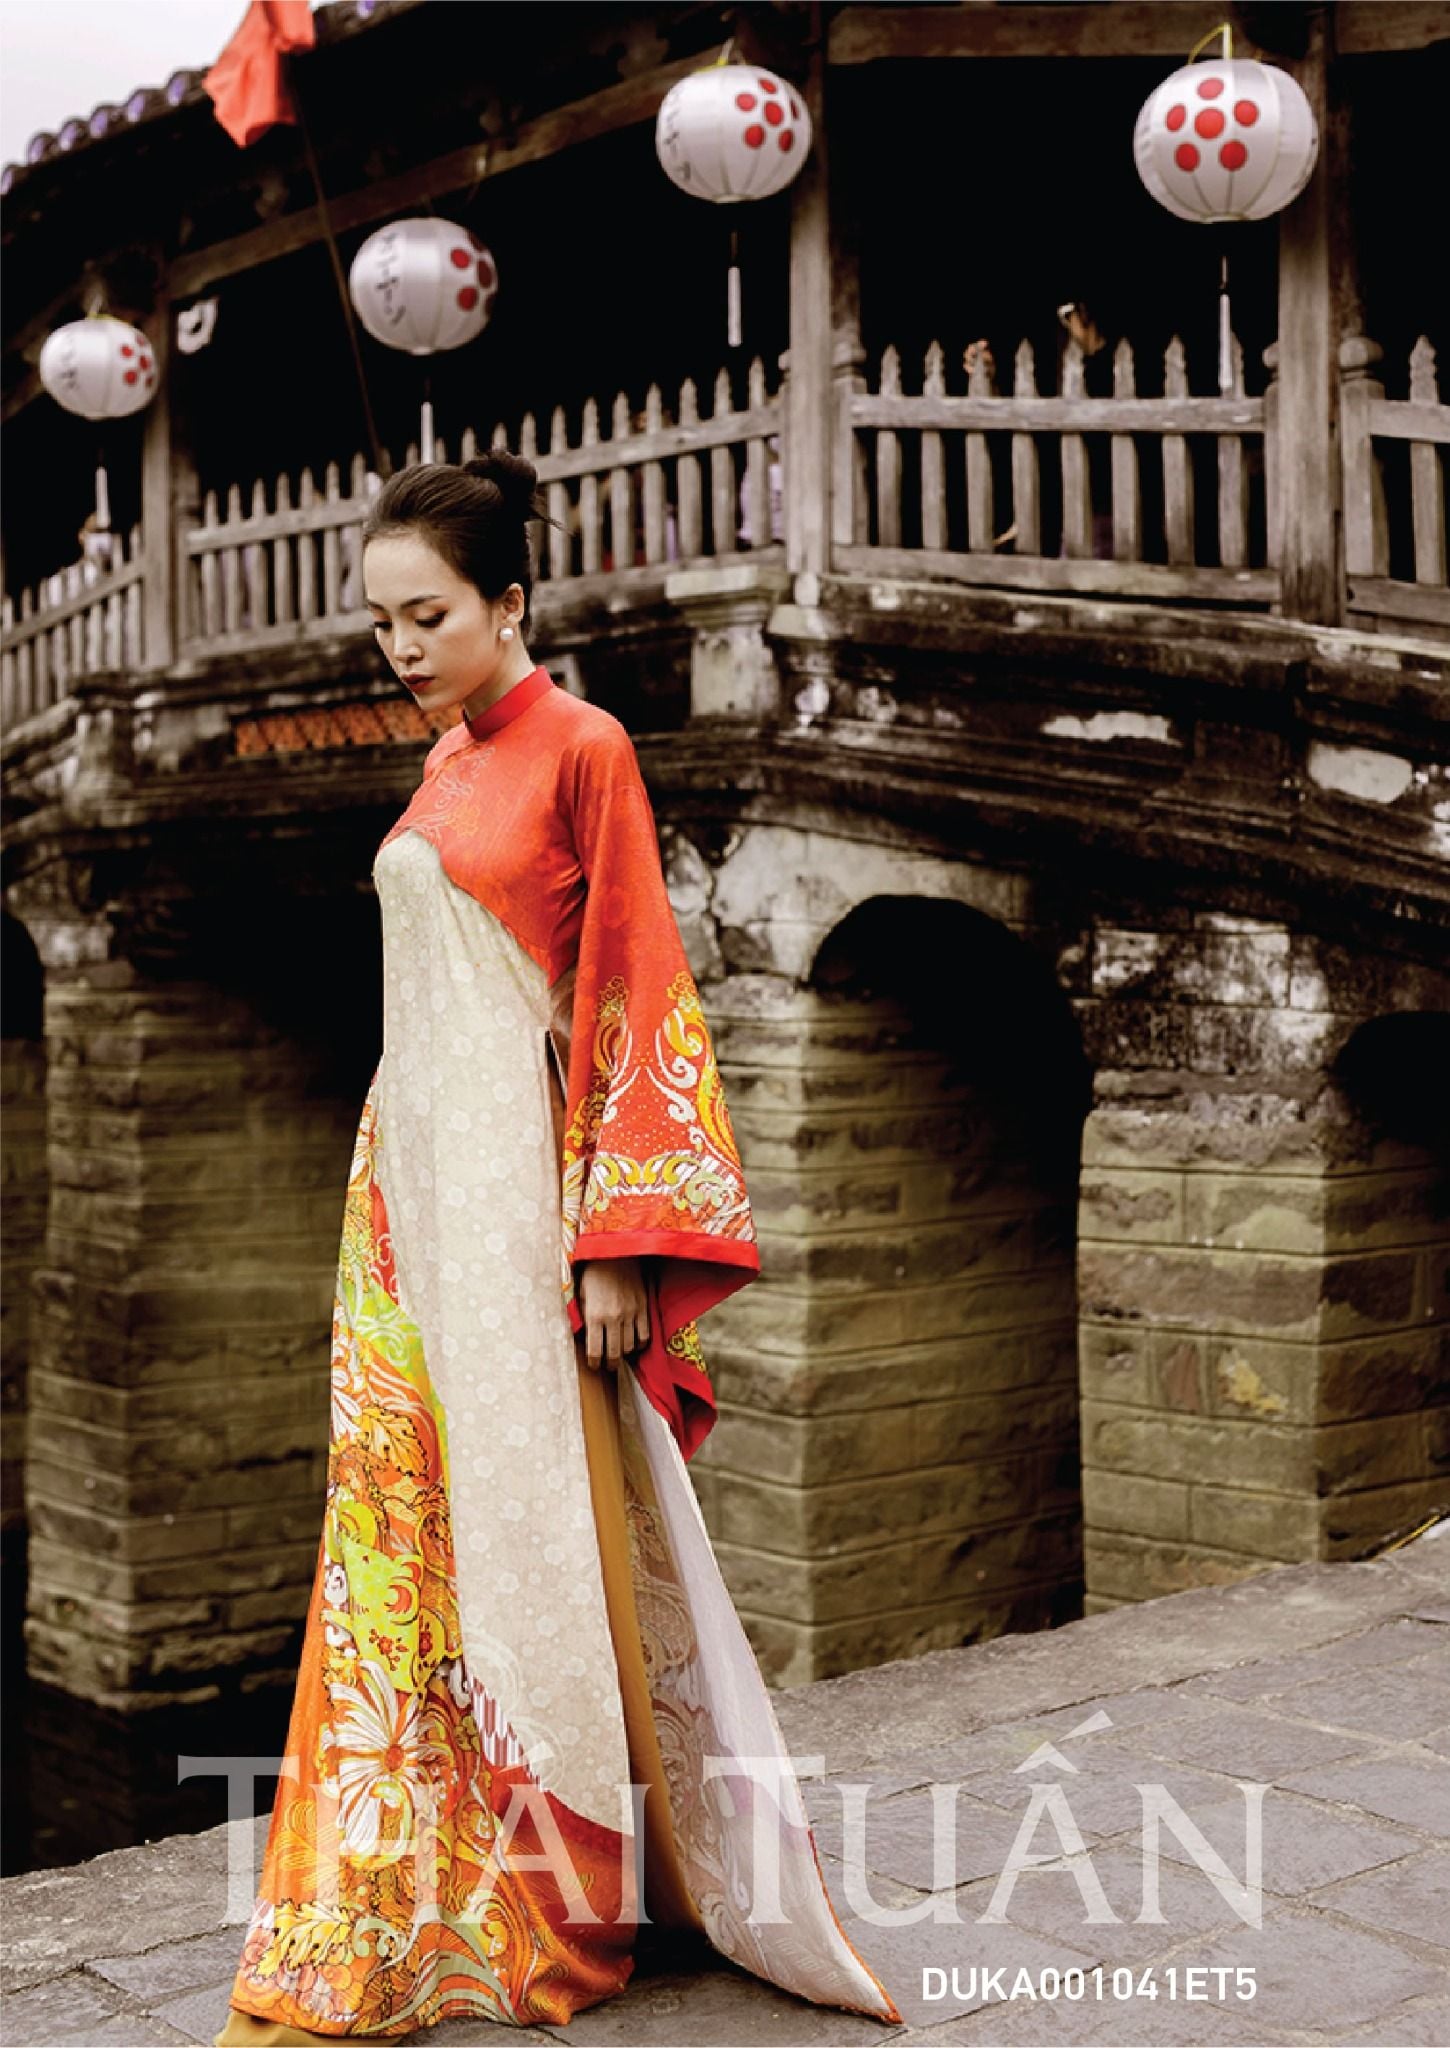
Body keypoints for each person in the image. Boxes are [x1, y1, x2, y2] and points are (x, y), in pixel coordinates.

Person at [212, 449, 902, 2044]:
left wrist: (614, 1244)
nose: (401, 646)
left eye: (429, 616)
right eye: (382, 621)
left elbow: (631, 991)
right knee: (406, 1542)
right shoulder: (448, 757)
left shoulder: (583, 747)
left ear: (509, 601)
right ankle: (412, 1878)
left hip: (522, 1209)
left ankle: (565, 1898)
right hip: (411, 1204)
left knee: (535, 1544)